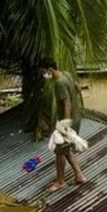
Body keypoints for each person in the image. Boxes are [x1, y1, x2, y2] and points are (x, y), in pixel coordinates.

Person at [40, 58, 88, 191]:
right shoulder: (66, 74)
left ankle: (60, 181)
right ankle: (79, 175)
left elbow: (67, 103)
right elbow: (77, 87)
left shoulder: (59, 83)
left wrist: (65, 125)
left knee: (59, 151)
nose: (44, 75)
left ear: (50, 70)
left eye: (44, 72)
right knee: (66, 149)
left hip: (67, 121)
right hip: (75, 117)